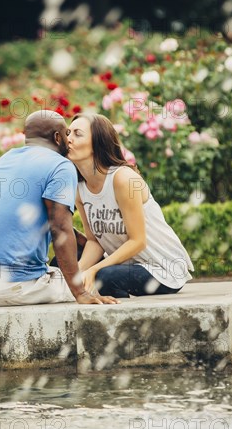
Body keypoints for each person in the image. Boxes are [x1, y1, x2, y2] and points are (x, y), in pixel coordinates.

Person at [0, 110, 119, 306]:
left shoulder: (5, 159)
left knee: (73, 272)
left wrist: (81, 240)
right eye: (66, 133)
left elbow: (19, 216)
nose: (69, 139)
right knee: (98, 280)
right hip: (14, 285)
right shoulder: (60, 165)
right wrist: (81, 293)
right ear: (57, 137)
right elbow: (60, 228)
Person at [67, 113, 194, 298]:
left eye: (77, 134)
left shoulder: (124, 179)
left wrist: (93, 270)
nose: (68, 138)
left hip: (162, 269)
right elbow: (95, 241)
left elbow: (138, 241)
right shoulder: (80, 189)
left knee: (105, 276)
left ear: (98, 142)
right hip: (126, 265)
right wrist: (76, 275)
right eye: (68, 132)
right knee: (63, 265)